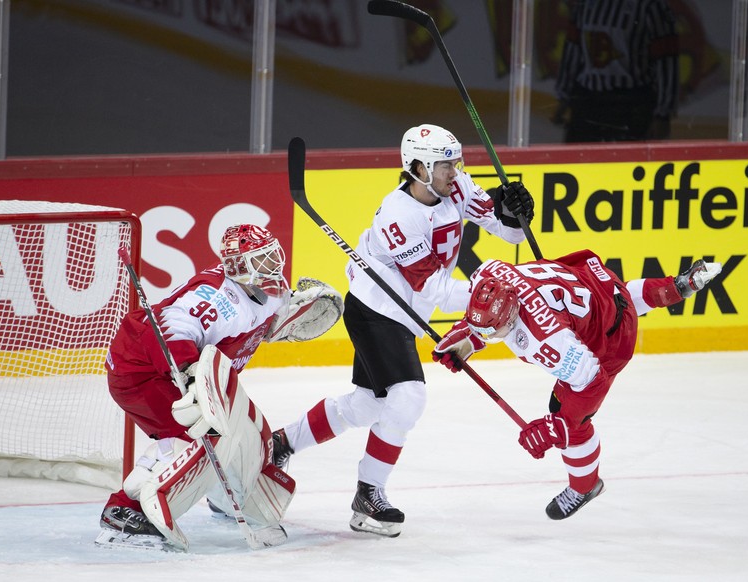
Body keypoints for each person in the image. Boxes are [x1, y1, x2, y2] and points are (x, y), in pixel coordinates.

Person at [271, 124, 536, 538]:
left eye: (456, 162)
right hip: (376, 310)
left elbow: (509, 233)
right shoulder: (399, 216)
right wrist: (490, 298)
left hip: (404, 316)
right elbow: (434, 289)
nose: (456, 171)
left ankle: (281, 443)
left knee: (367, 406)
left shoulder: (457, 187)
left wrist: (514, 213)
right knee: (408, 396)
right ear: (418, 167)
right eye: (445, 165)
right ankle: (368, 494)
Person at [96, 224, 343, 551]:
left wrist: (293, 311)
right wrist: (190, 369)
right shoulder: (221, 299)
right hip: (141, 371)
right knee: (196, 435)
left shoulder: (266, 290)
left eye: (273, 256)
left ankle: (224, 500)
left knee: (249, 436)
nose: (273, 265)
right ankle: (124, 510)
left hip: (172, 371)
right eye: (262, 260)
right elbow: (173, 326)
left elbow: (269, 322)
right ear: (240, 267)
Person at [432, 251, 722, 519]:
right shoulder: (490, 273)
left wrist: (557, 426)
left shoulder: (547, 340)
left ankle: (586, 486)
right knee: (613, 297)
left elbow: (593, 382)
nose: (489, 335)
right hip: (596, 282)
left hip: (612, 339)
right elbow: (490, 315)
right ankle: (674, 287)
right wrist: (468, 338)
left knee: (567, 415)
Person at [552, 0, 679, 142]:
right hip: (588, 99)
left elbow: (667, 60)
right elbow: (573, 49)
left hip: (630, 104)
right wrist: (563, 97)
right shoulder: (585, 4)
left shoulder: (651, 6)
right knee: (578, 161)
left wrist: (663, 114)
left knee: (624, 162)